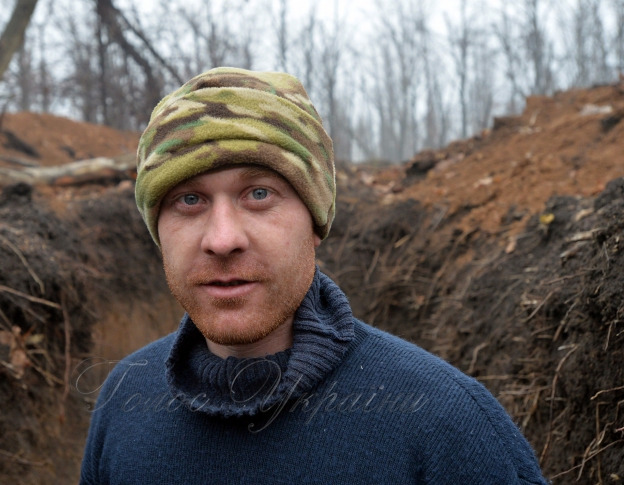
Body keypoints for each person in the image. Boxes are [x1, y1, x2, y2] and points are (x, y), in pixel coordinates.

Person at [80, 67, 547, 484]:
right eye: (189, 199)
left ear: (316, 220)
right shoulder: (123, 400)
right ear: (158, 230)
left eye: (259, 194)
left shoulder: (448, 425)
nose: (222, 239)